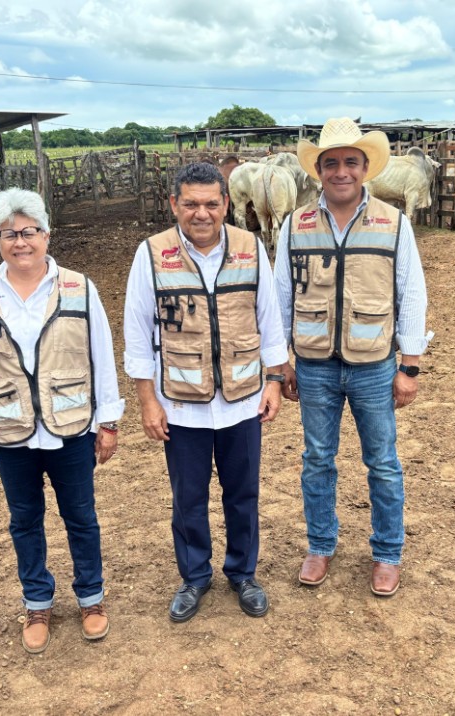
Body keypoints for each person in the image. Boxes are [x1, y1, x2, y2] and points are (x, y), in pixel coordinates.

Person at [0, 187, 124, 653]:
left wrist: (108, 421)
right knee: (24, 521)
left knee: (81, 517)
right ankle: (37, 602)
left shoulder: (78, 286)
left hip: (70, 428)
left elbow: (102, 356)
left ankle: (91, 598)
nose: (20, 241)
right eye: (9, 233)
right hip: (9, 433)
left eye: (29, 231)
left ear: (47, 235)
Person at [274, 117, 433, 597]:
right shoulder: (295, 224)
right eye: (331, 163)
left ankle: (387, 553)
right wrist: (281, 361)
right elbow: (280, 295)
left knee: (382, 462)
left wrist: (409, 365)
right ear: (318, 170)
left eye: (350, 162)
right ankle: (320, 545)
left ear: (365, 169)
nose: (341, 171)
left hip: (374, 364)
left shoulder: (393, 222)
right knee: (317, 459)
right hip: (315, 365)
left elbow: (412, 293)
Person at [124, 162, 289, 622]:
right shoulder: (152, 254)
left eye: (211, 204)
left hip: (242, 399)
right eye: (191, 204)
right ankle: (195, 575)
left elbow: (269, 317)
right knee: (188, 497)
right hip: (180, 402)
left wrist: (274, 380)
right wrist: (146, 399)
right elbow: (137, 328)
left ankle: (243, 572)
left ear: (226, 205)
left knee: (243, 494)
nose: (202, 213)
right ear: (174, 204)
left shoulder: (250, 247)